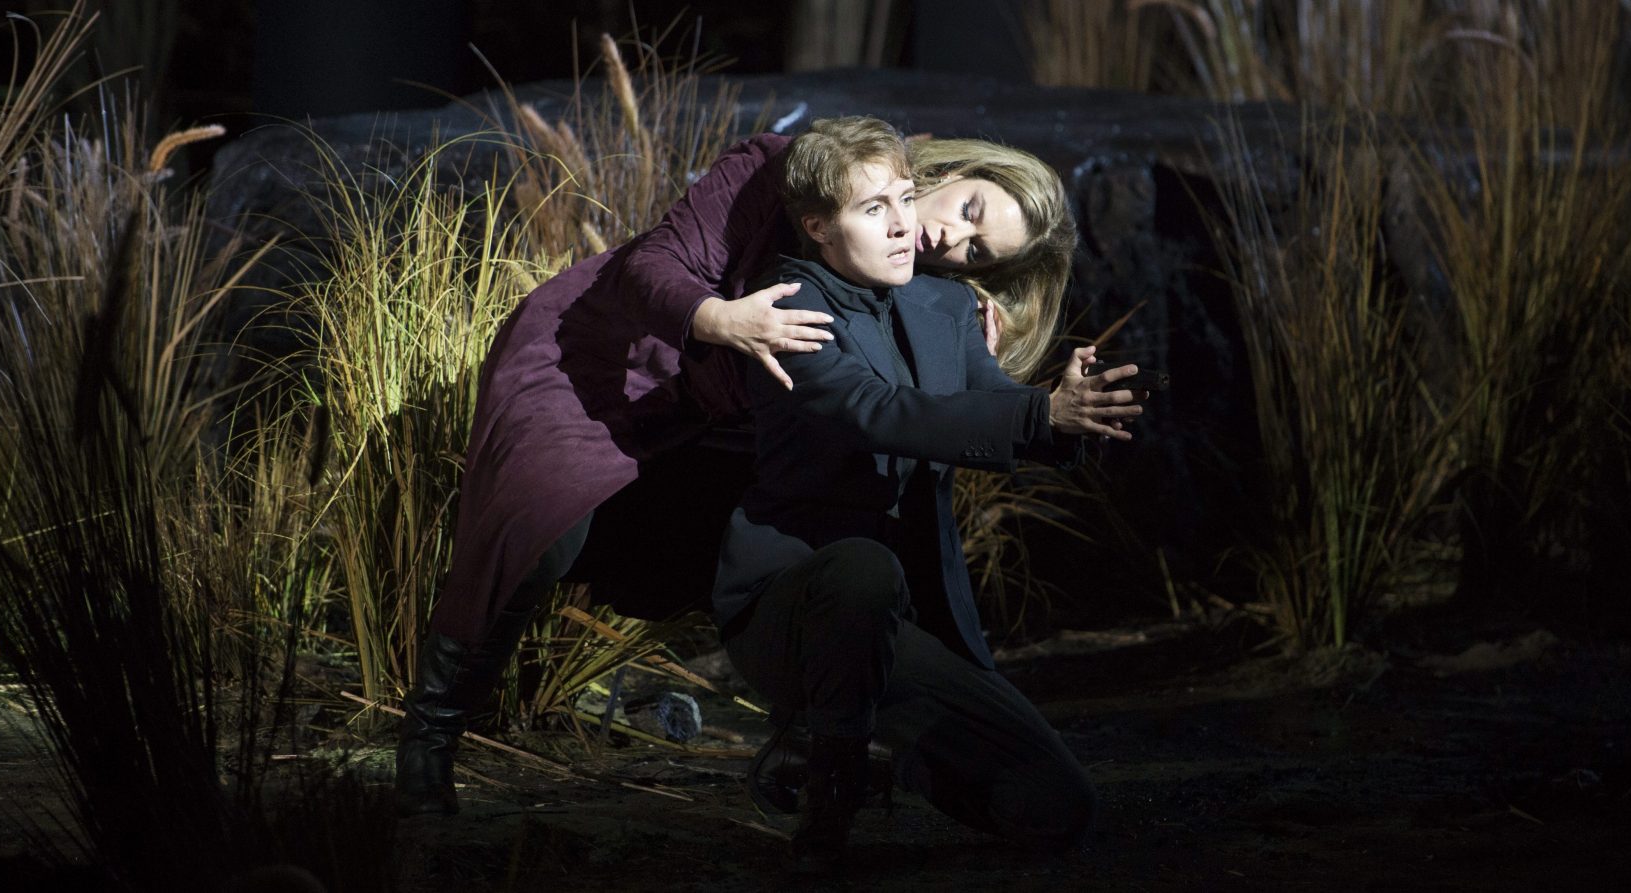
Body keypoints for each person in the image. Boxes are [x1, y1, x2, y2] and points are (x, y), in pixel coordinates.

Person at [395, 120, 1114, 817]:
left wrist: (1013, 385)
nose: (951, 238)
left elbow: (920, 396)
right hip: (612, 364)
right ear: (952, 172)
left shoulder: (923, 285)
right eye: (969, 210)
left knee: (780, 541)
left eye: (977, 252)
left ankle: (811, 738)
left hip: (726, 415)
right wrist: (722, 319)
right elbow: (651, 267)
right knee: (543, 523)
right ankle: (430, 736)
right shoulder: (777, 170)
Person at [714, 116, 1140, 872]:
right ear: (818, 225)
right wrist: (1036, 415)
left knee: (1058, 807)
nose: (908, 226)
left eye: (904, 202)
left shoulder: (942, 306)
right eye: (876, 208)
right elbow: (877, 412)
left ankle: (871, 753)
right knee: (862, 569)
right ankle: (829, 800)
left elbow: (994, 400)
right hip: (798, 608)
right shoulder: (789, 304)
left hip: (904, 624)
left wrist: (1067, 413)